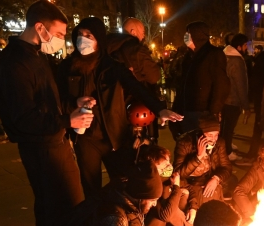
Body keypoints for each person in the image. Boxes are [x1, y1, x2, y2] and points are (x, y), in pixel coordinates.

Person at [0, 1, 94, 226]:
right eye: (59, 35)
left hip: (56, 140)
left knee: (70, 201)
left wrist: (73, 102)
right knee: (52, 203)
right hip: (40, 147)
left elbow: (48, 98)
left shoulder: (36, 55)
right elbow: (24, 117)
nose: (61, 41)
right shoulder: (13, 63)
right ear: (40, 27)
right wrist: (66, 121)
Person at [56, 17, 182, 198]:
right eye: (80, 34)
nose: (83, 39)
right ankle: (95, 222)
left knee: (122, 184)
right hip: (85, 138)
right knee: (91, 188)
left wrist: (159, 109)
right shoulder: (67, 67)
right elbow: (57, 99)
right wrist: (75, 103)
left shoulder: (111, 66)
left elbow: (137, 88)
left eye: (89, 35)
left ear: (99, 38)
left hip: (114, 136)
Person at [171, 21, 230, 134]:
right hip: (186, 110)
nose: (186, 36)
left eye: (188, 33)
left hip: (202, 112)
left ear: (197, 34)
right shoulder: (189, 56)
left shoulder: (213, 54)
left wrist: (213, 112)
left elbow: (221, 85)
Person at [174, 115, 233, 224]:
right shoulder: (185, 143)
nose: (214, 139)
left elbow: (227, 167)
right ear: (200, 134)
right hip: (192, 184)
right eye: (210, 135)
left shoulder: (219, 143)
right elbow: (179, 174)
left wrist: (216, 178)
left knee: (232, 181)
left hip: (210, 180)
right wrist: (198, 157)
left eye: (216, 135)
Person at [137, 145, 192, 226]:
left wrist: (193, 207)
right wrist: (176, 187)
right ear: (153, 167)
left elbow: (191, 187)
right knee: (171, 211)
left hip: (163, 219)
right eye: (164, 166)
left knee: (184, 195)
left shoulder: (166, 178)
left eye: (169, 162)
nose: (169, 167)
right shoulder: (151, 183)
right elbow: (166, 214)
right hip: (146, 225)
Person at [107, 17, 161, 86]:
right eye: (143, 32)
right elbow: (154, 77)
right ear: (133, 32)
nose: (143, 36)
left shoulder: (110, 47)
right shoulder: (137, 50)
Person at [222, 33, 250, 161]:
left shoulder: (224, 56)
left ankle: (227, 145)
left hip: (223, 98)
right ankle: (227, 152)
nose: (246, 48)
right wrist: (245, 105)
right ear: (239, 47)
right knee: (229, 127)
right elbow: (241, 84)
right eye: (245, 45)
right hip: (233, 99)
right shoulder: (237, 61)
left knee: (225, 126)